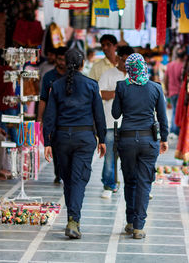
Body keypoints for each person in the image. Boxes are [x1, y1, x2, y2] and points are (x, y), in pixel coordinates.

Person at [43, 48, 107, 239]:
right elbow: (99, 115)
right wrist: (102, 139)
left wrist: (47, 140)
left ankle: (72, 218)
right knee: (78, 179)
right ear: (82, 64)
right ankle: (73, 220)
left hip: (61, 139)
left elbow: (50, 115)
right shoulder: (91, 85)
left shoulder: (56, 85)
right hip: (84, 139)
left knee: (68, 179)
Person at [112, 53, 169, 239]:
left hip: (127, 140)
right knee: (145, 182)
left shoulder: (122, 86)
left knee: (130, 181)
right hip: (148, 141)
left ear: (128, 69)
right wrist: (164, 139)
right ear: (144, 66)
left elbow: (115, 114)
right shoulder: (155, 88)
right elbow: (162, 117)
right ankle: (138, 226)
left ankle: (129, 220)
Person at [98, 45, 134, 199]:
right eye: (123, 59)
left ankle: (132, 184)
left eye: (128, 60)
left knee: (130, 156)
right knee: (110, 156)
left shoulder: (135, 76)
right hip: (110, 122)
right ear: (118, 58)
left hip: (129, 123)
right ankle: (109, 184)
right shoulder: (109, 74)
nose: (125, 63)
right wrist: (118, 92)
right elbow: (99, 94)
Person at [38, 46, 69, 184]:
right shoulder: (49, 76)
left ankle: (66, 171)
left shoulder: (72, 76)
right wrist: (40, 118)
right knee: (55, 146)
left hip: (69, 117)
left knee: (67, 147)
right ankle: (59, 173)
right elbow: (43, 98)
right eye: (59, 59)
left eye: (64, 59)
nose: (61, 62)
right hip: (53, 117)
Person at [0, 48, 18, 143]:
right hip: (12, 103)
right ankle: (17, 151)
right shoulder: (13, 71)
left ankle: (4, 154)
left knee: (3, 132)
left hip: (0, 103)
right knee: (13, 130)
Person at [165, 46, 186, 138]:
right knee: (177, 111)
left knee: (174, 110)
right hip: (180, 92)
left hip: (171, 91)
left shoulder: (170, 65)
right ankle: (175, 130)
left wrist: (166, 89)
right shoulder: (183, 65)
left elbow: (166, 79)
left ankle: (174, 129)